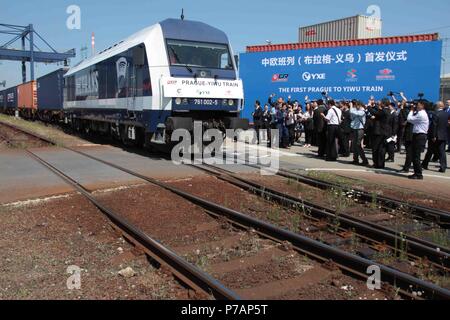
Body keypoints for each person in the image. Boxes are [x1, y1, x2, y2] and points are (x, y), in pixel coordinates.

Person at [422, 101, 448, 173]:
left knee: (430, 150)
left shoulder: (435, 114)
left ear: (437, 106)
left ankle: (425, 164)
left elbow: (434, 125)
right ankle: (443, 166)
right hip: (443, 135)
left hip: (435, 135)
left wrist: (433, 136)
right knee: (442, 151)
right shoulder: (446, 114)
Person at [407, 101, 430, 180]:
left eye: (418, 105)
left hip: (420, 136)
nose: (417, 106)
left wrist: (411, 110)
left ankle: (419, 174)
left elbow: (409, 119)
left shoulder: (421, 114)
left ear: (423, 106)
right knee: (415, 155)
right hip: (419, 135)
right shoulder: (421, 113)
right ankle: (417, 172)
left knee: (416, 156)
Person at [371, 99, 390, 169]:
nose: (380, 104)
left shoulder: (384, 111)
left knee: (376, 149)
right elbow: (378, 113)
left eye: (381, 103)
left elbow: (375, 113)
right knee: (382, 149)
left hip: (380, 132)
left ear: (384, 104)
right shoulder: (387, 110)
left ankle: (377, 164)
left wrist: (369, 106)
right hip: (384, 132)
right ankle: (380, 164)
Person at [350, 101, 369, 166]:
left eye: (357, 105)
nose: (355, 106)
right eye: (355, 105)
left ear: (360, 105)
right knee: (355, 145)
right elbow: (352, 117)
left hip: (360, 129)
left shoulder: (362, 111)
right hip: (355, 129)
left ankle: (365, 160)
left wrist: (351, 106)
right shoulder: (355, 111)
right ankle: (355, 160)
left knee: (358, 145)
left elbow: (352, 112)